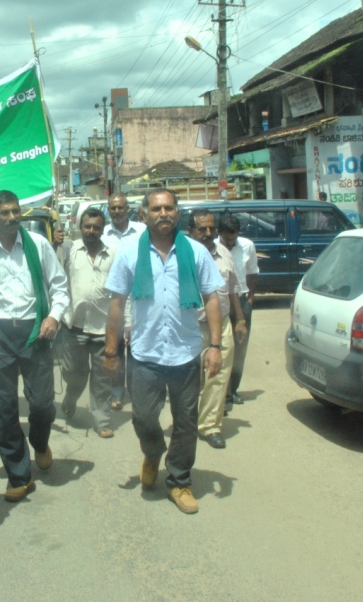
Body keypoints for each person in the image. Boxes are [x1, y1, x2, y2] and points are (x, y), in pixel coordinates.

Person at [103, 189, 225, 515]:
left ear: (177, 212)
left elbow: (212, 298)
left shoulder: (196, 252)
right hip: (145, 354)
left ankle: (179, 481)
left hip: (186, 353)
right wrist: (111, 351)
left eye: (169, 207)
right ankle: (154, 452)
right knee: (143, 418)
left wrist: (215, 346)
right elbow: (116, 304)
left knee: (186, 423)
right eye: (156, 208)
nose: (163, 213)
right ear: (144, 214)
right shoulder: (129, 252)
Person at [0, 190, 69, 502]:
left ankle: (40, 442)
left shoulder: (38, 245)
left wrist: (53, 316)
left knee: (40, 403)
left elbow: (60, 286)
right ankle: (18, 475)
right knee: (3, 410)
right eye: (5, 213)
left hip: (35, 332)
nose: (13, 218)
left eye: (16, 212)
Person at [188, 210, 248, 448]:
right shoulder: (181, 254)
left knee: (219, 374)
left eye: (211, 229)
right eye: (202, 229)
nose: (208, 233)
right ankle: (187, 422)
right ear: (191, 230)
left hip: (221, 324)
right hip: (190, 325)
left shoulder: (223, 252)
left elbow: (233, 289)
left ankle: (210, 425)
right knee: (190, 378)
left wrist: (240, 320)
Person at [58, 207, 117, 438]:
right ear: (80, 228)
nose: (91, 231)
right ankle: (71, 396)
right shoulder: (69, 251)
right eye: (87, 226)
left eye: (96, 227)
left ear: (103, 229)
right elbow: (53, 273)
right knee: (74, 372)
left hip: (104, 328)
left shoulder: (113, 254)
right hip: (75, 326)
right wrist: (56, 243)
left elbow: (123, 292)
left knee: (103, 377)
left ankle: (102, 419)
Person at [100, 192, 145, 410]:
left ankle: (138, 392)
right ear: (108, 210)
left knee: (136, 351)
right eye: (112, 208)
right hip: (114, 298)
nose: (117, 212)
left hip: (139, 297)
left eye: (120, 207)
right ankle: (117, 392)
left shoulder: (142, 231)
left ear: (128, 209)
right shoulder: (103, 234)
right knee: (115, 348)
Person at [218, 214, 259, 407]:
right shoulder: (212, 248)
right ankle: (222, 393)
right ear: (220, 234)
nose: (230, 242)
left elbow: (252, 273)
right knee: (223, 348)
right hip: (220, 302)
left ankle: (233, 390)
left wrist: (250, 300)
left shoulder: (247, 246)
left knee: (240, 348)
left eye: (233, 239)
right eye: (227, 239)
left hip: (241, 301)